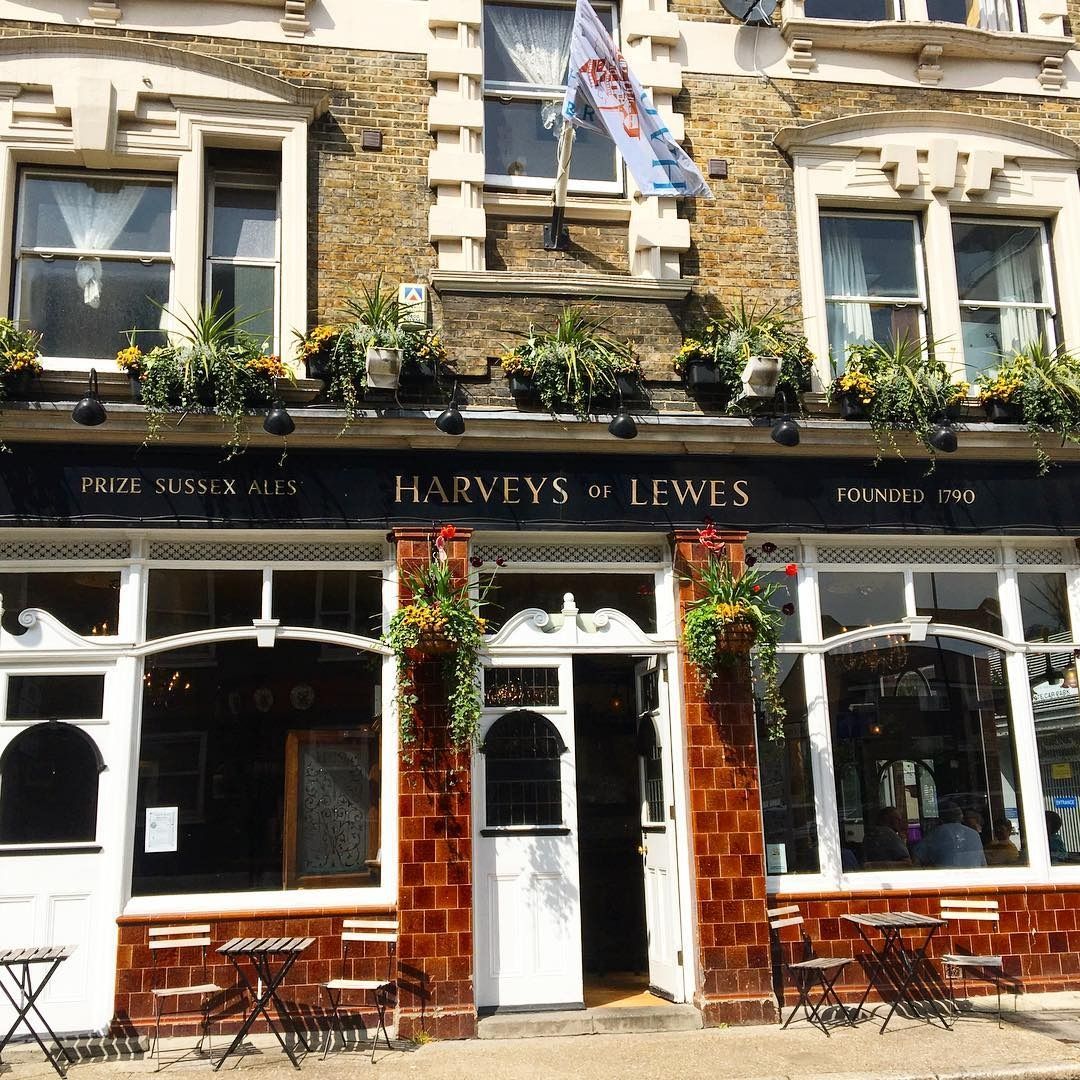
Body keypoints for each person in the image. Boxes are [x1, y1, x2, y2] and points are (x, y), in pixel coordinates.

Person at [914, 804, 986, 868]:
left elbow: (916, 858)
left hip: (945, 880)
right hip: (973, 880)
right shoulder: (974, 834)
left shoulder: (937, 833)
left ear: (940, 818)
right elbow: (983, 865)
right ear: (961, 817)